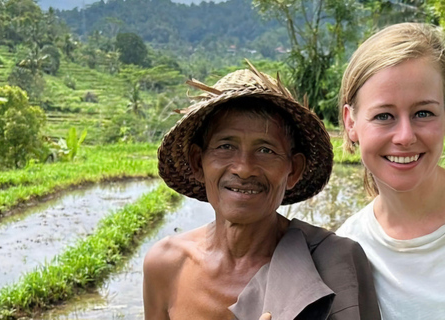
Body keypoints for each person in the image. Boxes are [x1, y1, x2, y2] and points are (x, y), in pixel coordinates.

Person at [143, 61, 380, 319]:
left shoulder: (335, 262)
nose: (244, 168)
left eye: (265, 150)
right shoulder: (166, 265)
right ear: (197, 162)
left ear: (294, 170)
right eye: (225, 146)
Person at [336, 22, 445, 320]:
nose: (405, 136)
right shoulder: (345, 252)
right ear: (351, 123)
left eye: (424, 113)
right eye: (384, 116)